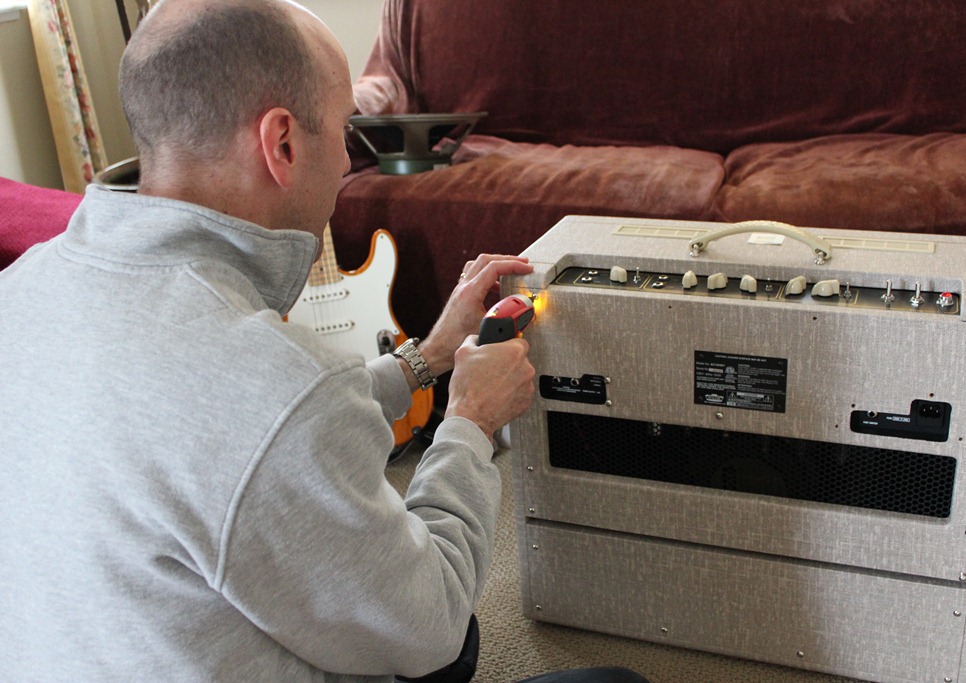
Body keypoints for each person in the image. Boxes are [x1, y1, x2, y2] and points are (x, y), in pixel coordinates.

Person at [0, 1, 651, 682]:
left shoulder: (21, 288)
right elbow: (431, 623)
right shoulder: (276, 385)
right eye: (344, 130)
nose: (345, 158)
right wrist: (471, 420)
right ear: (282, 143)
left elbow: (240, 420)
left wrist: (428, 357)